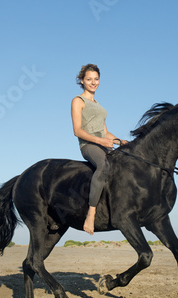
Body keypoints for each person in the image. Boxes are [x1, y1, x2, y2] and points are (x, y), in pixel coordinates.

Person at [71, 64, 126, 235]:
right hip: (88, 145)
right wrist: (100, 140)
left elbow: (105, 132)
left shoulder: (99, 105)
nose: (93, 82)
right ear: (82, 81)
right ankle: (91, 213)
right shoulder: (78, 101)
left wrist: (120, 141)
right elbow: (77, 130)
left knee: (126, 163)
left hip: (102, 142)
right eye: (89, 79)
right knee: (104, 165)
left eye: (96, 79)